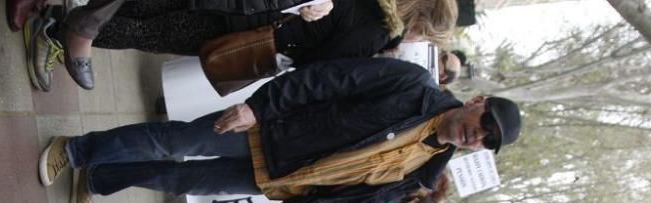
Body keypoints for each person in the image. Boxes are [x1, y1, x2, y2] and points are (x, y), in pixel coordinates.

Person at [37, 57, 521, 203]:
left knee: (176, 177)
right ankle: (76, 149)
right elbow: (328, 81)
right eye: (483, 122)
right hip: (271, 132)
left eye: (485, 140)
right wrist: (259, 107)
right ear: (476, 100)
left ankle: (99, 177)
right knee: (172, 141)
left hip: (280, 181)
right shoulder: (414, 85)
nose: (476, 134)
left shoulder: (428, 173)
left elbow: (356, 197)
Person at [52, 0, 458, 89]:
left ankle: (55, 15)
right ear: (418, 23)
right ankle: (60, 30)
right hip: (254, 33)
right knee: (150, 33)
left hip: (248, 5)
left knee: (150, 7)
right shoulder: (375, 33)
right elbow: (319, 65)